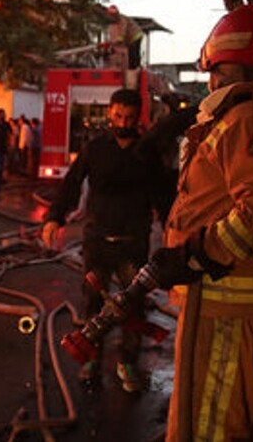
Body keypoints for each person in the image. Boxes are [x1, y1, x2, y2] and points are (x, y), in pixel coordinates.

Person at [145, 4, 253, 442]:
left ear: (233, 67)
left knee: (208, 432)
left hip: (231, 309)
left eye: (214, 72)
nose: (210, 83)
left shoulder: (251, 119)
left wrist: (198, 253)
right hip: (226, 303)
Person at [40, 88, 167, 393]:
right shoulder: (95, 148)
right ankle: (90, 357)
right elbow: (72, 183)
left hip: (133, 242)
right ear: (110, 113)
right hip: (96, 241)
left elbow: (163, 194)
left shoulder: (148, 153)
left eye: (130, 117)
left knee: (132, 306)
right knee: (93, 303)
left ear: (139, 117)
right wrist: (54, 217)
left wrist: (172, 223)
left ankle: (127, 362)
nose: (123, 121)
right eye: (118, 115)